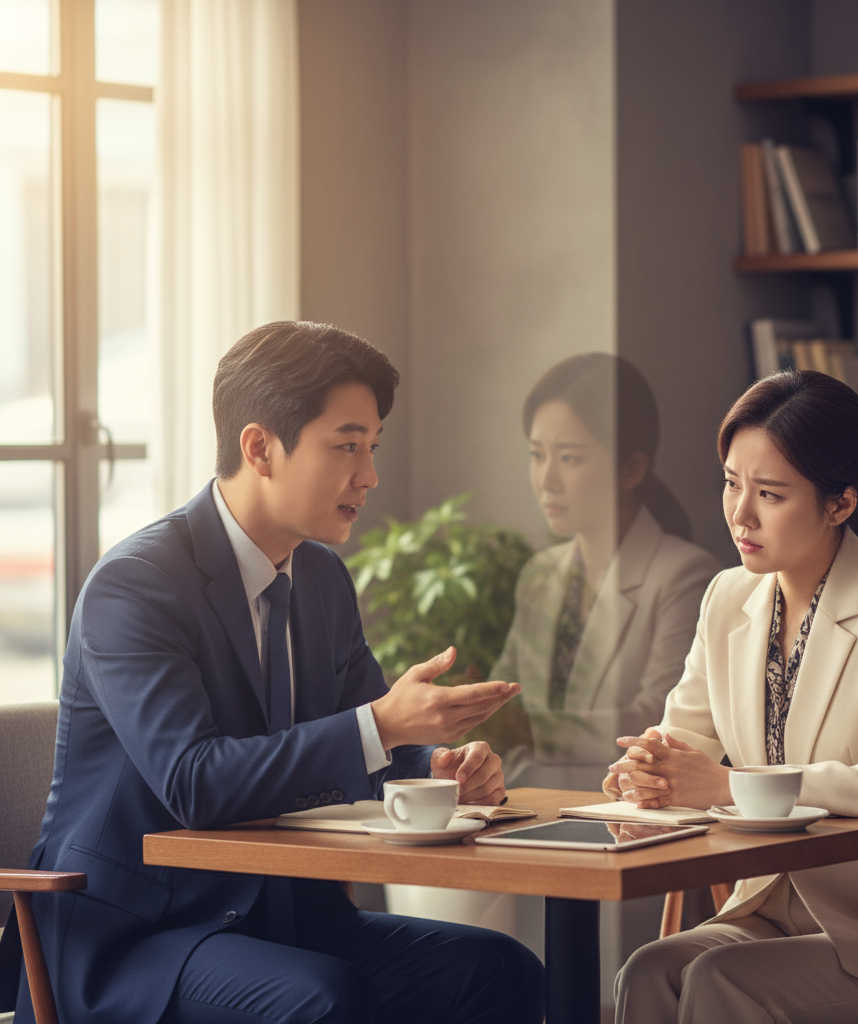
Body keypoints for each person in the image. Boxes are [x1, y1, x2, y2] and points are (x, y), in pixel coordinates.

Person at [0, 321, 544, 1024]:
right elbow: (194, 782)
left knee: (498, 970)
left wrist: (437, 763)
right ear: (259, 448)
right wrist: (383, 726)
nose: (369, 476)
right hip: (138, 941)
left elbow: (370, 738)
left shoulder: (321, 579)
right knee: (326, 1000)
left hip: (286, 920)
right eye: (347, 445)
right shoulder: (134, 586)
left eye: (371, 448)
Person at [607, 369, 858, 1024]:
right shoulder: (726, 596)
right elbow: (685, 743)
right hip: (771, 911)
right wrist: (643, 779)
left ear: (840, 503)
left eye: (770, 493)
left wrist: (727, 786)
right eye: (733, 483)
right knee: (648, 970)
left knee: (720, 981)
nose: (740, 513)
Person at [491, 353, 720, 788]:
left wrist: (525, 730)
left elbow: (656, 723)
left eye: (569, 459)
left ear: (631, 468)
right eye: (537, 456)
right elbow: (503, 708)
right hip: (519, 807)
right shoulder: (539, 575)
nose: (546, 480)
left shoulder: (684, 575)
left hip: (622, 809)